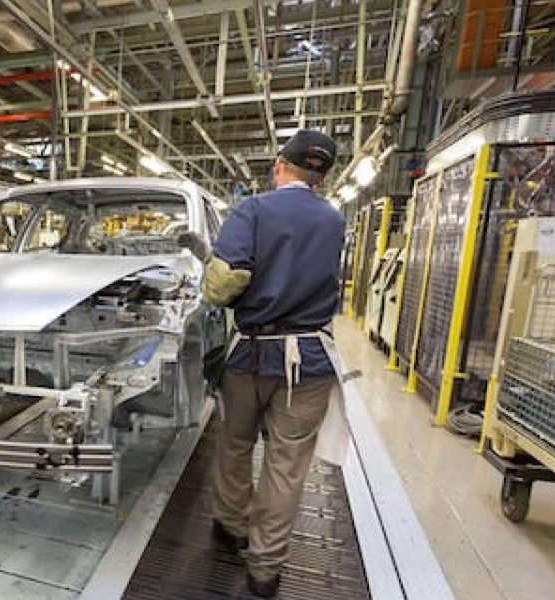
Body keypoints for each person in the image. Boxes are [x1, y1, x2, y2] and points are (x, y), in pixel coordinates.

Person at [202, 130, 345, 597]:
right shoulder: (334, 220)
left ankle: (232, 526)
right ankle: (264, 571)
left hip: (250, 357)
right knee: (286, 466)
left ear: (279, 165)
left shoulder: (253, 210)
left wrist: (210, 286)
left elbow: (223, 283)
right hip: (308, 362)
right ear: (320, 177)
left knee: (235, 444)